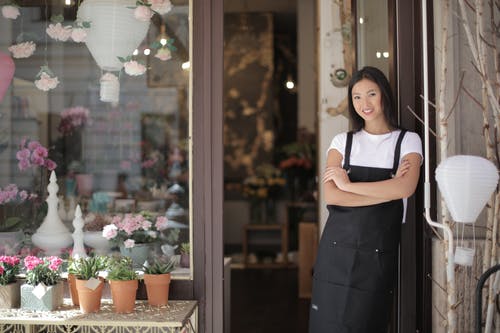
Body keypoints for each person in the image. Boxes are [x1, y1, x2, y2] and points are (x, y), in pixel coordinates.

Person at [309, 66, 423, 333]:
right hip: (335, 252)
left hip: (377, 254)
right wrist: (387, 188)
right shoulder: (342, 142)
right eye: (357, 97)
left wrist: (350, 185)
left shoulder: (407, 141)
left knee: (367, 323)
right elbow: (333, 196)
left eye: (371, 94)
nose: (364, 103)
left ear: (384, 94)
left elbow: (406, 188)